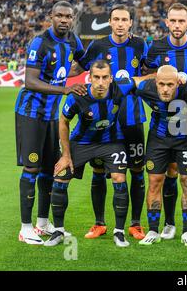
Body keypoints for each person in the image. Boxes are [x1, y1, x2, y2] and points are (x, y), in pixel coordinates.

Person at [44, 60, 146, 247]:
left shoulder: (120, 87)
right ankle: (58, 231)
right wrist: (66, 155)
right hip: (82, 142)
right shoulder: (78, 96)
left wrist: (171, 75)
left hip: (111, 142)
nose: (100, 82)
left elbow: (142, 79)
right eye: (96, 77)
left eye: (104, 77)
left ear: (111, 78)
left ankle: (119, 232)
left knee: (119, 178)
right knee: (61, 176)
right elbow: (63, 122)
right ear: (89, 78)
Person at [71, 4, 149, 241]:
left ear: (130, 23)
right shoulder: (97, 46)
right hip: (105, 122)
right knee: (98, 170)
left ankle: (135, 224)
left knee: (136, 170)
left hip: (132, 118)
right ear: (111, 22)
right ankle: (99, 223)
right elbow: (82, 68)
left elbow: (151, 71)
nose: (120, 24)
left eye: (125, 19)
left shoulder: (140, 44)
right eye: (116, 19)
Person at [15, 0, 86, 245]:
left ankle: (42, 224)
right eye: (59, 16)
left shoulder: (73, 41)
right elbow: (30, 81)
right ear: (51, 17)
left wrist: (69, 72)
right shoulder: (40, 42)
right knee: (32, 169)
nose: (64, 20)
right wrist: (64, 87)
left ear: (73, 19)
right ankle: (25, 229)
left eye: (68, 16)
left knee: (49, 169)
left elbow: (83, 62)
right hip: (31, 113)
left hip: (52, 116)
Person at [144, 3, 187, 241]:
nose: (176, 25)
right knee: (171, 171)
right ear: (166, 22)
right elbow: (146, 74)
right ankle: (169, 223)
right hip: (164, 120)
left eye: (181, 21)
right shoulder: (156, 48)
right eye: (172, 21)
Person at [135, 65, 187, 247]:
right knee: (155, 182)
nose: (165, 89)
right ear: (155, 83)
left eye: (170, 85)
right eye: (162, 84)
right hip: (158, 140)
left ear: (178, 83)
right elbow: (128, 82)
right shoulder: (146, 88)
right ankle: (152, 229)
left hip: (185, 139)